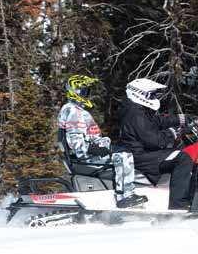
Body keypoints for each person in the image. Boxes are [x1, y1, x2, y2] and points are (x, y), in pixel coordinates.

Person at [58, 74, 147, 208]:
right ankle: (125, 196)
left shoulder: (76, 110)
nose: (87, 94)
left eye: (87, 91)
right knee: (123, 156)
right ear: (75, 92)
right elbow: (76, 142)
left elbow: (90, 137)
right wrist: (95, 149)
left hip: (87, 154)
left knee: (123, 150)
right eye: (84, 91)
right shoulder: (73, 111)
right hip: (85, 157)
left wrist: (107, 145)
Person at [118, 78, 196, 209]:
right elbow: (155, 140)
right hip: (138, 155)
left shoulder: (138, 109)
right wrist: (174, 133)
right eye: (152, 95)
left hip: (141, 152)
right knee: (182, 158)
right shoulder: (135, 114)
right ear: (140, 94)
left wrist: (181, 119)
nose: (154, 98)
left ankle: (188, 198)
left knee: (181, 154)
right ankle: (179, 205)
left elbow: (157, 121)